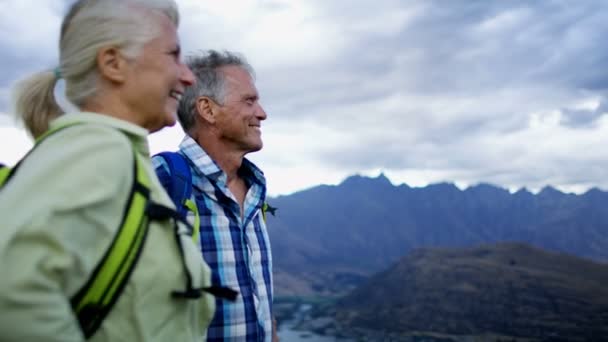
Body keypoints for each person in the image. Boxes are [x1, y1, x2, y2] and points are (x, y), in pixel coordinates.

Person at [0, 0, 215, 341]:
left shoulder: (119, 157)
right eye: (173, 55)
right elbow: (10, 287)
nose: (189, 77)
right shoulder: (99, 149)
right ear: (113, 63)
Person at [152, 50, 277, 341]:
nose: (262, 113)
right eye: (249, 101)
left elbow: (258, 294)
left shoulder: (255, 190)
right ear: (208, 110)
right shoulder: (162, 179)